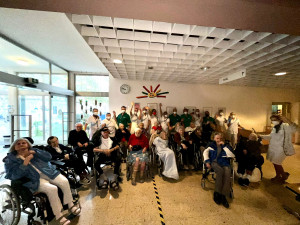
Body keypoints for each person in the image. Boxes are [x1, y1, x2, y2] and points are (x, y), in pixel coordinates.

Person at [4, 138, 81, 225]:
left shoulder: (34, 150)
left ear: (28, 145)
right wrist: (25, 163)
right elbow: (13, 175)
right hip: (33, 179)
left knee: (64, 181)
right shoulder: (10, 159)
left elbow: (49, 157)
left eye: (24, 143)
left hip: (48, 172)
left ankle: (70, 205)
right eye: (18, 144)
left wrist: (37, 153)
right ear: (14, 147)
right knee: (52, 189)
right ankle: (59, 215)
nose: (21, 145)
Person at [260, 115, 299, 184]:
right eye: (272, 120)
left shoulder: (286, 126)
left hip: (281, 149)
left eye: (274, 119)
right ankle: (278, 176)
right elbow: (271, 136)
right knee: (274, 162)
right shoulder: (275, 127)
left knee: (277, 163)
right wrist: (261, 136)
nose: (273, 121)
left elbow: (296, 128)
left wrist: (288, 120)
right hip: (273, 147)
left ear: (279, 119)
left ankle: (283, 176)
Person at [203, 133, 235, 208]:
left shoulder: (226, 145)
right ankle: (217, 193)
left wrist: (224, 146)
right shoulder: (211, 145)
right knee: (220, 171)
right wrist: (207, 161)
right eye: (217, 138)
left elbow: (232, 155)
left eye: (220, 138)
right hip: (214, 162)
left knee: (227, 173)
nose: (219, 140)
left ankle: (224, 195)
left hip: (224, 162)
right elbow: (205, 153)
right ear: (213, 138)